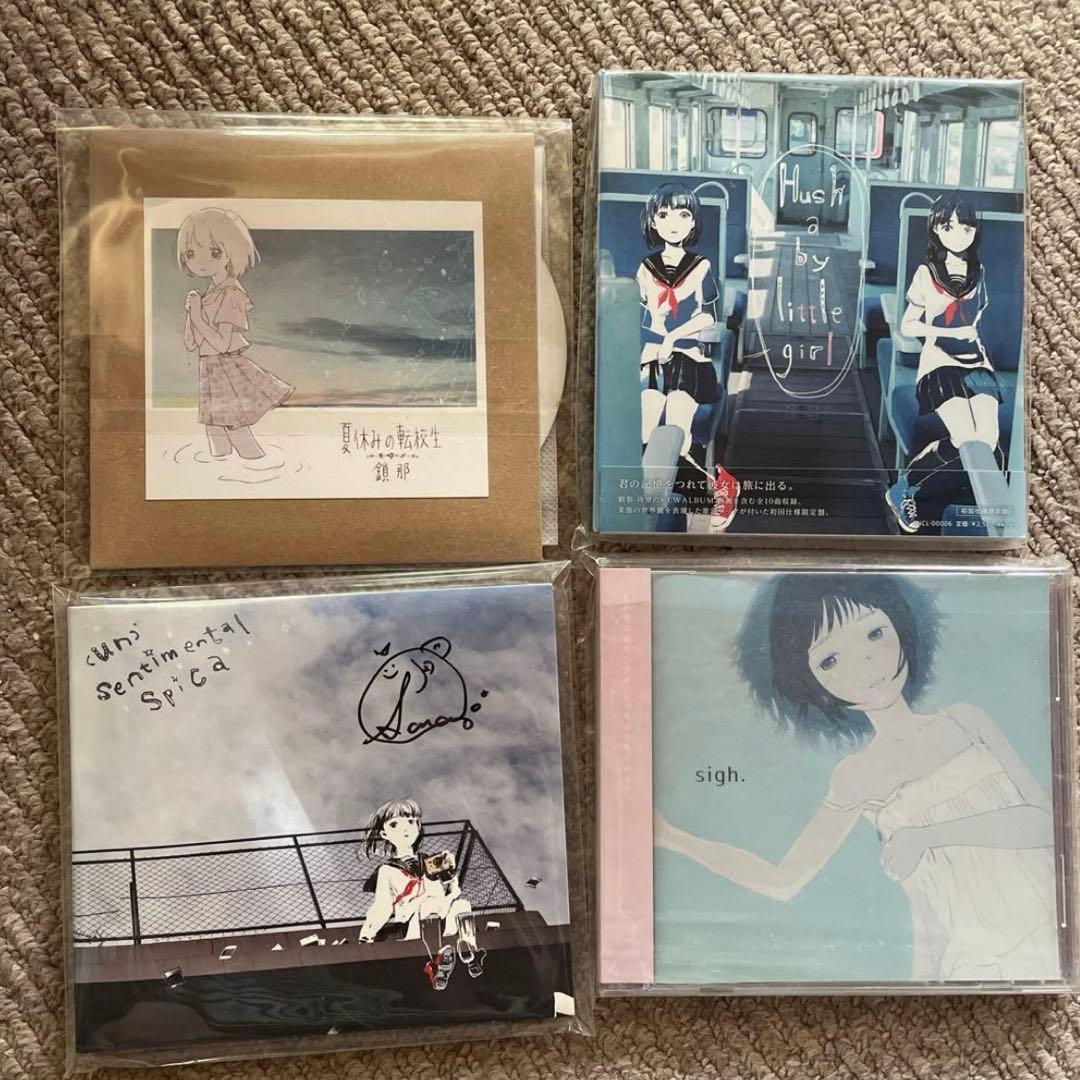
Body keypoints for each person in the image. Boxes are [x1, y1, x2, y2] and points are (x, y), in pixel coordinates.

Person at [655, 573, 1059, 981]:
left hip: (1046, 926)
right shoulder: (856, 777)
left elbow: (1047, 825)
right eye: (830, 660)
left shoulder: (965, 721)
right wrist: (673, 837)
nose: (866, 662)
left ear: (901, 625)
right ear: (809, 682)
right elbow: (784, 880)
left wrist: (926, 836)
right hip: (973, 959)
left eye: (874, 633)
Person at [885, 195, 1005, 533]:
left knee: (987, 440)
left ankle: (992, 519)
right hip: (939, 360)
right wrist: (945, 330)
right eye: (949, 227)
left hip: (975, 360)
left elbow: (981, 319)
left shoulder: (979, 272)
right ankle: (906, 486)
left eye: (966, 228)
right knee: (966, 436)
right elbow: (908, 325)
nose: (959, 235)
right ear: (936, 229)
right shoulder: (926, 273)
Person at [637, 182, 738, 531]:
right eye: (664, 215)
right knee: (648, 418)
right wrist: (656, 329)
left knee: (679, 416)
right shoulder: (645, 268)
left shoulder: (701, 266)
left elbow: (709, 316)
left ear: (693, 222)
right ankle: (652, 501)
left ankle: (716, 488)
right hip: (653, 359)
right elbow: (640, 315)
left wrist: (673, 336)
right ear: (653, 221)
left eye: (682, 215)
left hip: (690, 359)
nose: (673, 223)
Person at [177, 207, 293, 460]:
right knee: (213, 425)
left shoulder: (232, 294)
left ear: (231, 252)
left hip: (225, 365)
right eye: (191, 253)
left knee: (233, 423)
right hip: (208, 366)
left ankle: (255, 466)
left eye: (214, 252)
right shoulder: (207, 295)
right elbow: (191, 343)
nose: (200, 261)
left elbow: (221, 344)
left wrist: (197, 315)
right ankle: (221, 469)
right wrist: (191, 313)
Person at [357, 798, 484, 989]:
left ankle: (469, 955)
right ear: (384, 833)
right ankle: (435, 964)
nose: (405, 828)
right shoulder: (387, 870)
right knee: (429, 905)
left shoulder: (432, 861)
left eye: (410, 821)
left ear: (418, 826)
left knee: (462, 905)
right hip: (413, 920)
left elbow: (451, 890)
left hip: (441, 914)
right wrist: (367, 933)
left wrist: (450, 875)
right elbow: (383, 905)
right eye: (394, 824)